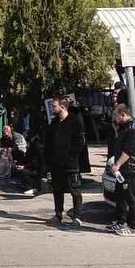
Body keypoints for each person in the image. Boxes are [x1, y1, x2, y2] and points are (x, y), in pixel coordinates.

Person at [44, 96, 85, 227]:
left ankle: (77, 216)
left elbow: (80, 141)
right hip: (56, 163)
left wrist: (72, 156)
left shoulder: (74, 121)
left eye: (54, 106)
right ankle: (58, 214)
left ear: (62, 107)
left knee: (75, 189)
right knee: (57, 189)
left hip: (71, 163)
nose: (52, 108)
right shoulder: (54, 122)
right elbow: (49, 141)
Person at [107, 105, 135, 237]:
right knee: (120, 196)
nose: (114, 119)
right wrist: (116, 129)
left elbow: (128, 151)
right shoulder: (125, 126)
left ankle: (134, 226)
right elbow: (119, 143)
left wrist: (117, 164)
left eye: (116, 116)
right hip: (124, 169)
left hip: (131, 168)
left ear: (123, 114)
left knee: (131, 197)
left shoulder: (133, 128)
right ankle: (120, 221)